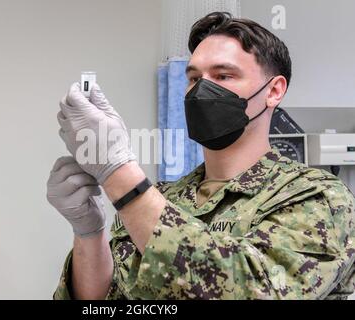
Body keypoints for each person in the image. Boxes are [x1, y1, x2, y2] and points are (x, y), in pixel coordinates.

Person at [47, 12, 355, 299]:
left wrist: (119, 173)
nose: (200, 92)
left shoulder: (319, 198)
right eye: (194, 78)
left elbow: (247, 288)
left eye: (223, 76)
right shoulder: (161, 198)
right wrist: (89, 231)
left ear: (273, 91)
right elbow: (105, 298)